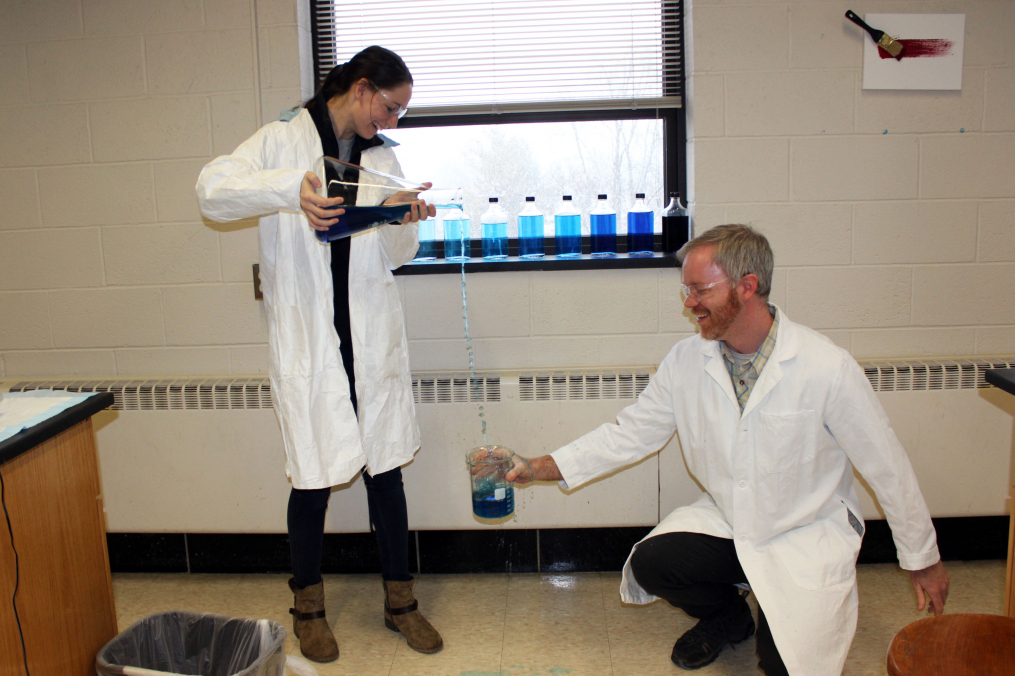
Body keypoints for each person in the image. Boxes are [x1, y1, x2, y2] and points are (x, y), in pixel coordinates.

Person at [506, 225, 949, 675]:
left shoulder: (825, 367)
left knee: (786, 666)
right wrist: (537, 466)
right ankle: (729, 616)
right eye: (686, 289)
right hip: (732, 520)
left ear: (747, 286)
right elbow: (630, 433)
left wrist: (923, 559)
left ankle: (772, 613)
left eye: (700, 290)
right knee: (651, 563)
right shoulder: (686, 361)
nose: (688, 302)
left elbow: (886, 465)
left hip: (806, 534)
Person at [196, 46, 442, 662]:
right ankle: (307, 609)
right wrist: (291, 190)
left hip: (367, 340)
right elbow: (212, 191)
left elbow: (395, 256)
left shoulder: (381, 157)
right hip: (311, 340)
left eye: (399, 114)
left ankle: (401, 604)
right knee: (311, 477)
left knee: (385, 471)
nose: (391, 123)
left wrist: (404, 217)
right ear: (360, 89)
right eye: (389, 107)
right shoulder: (282, 139)